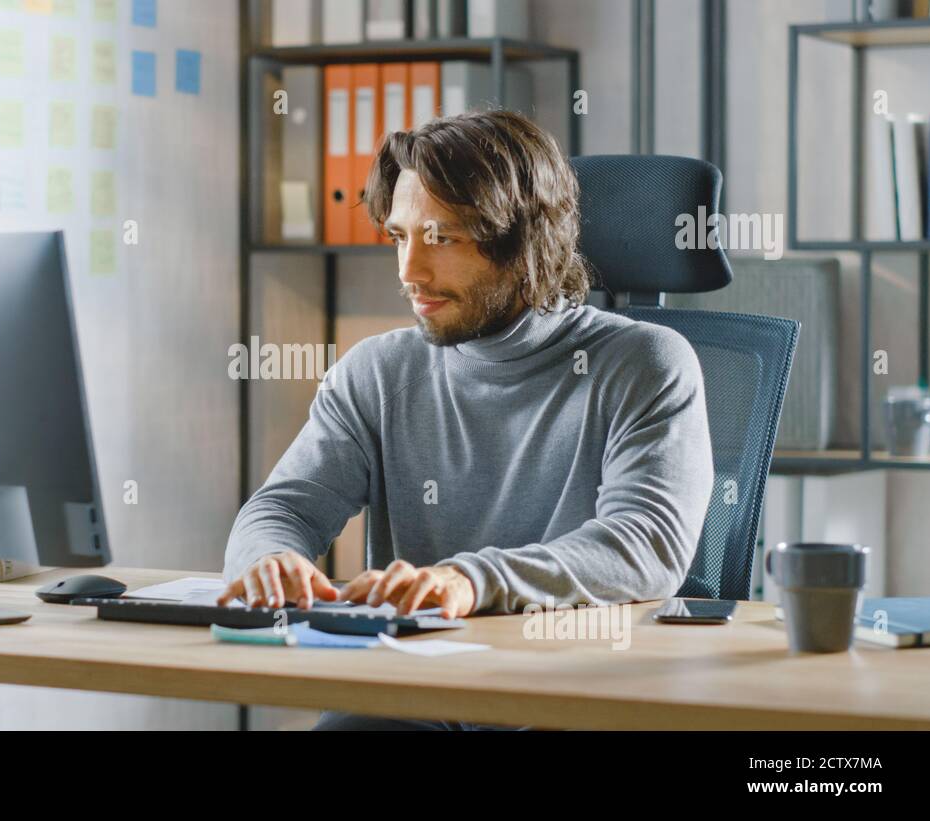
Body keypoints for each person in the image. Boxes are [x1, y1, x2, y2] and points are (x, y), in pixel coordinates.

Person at [219, 110, 715, 730]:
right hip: (424, 690)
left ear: (525, 240)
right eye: (400, 237)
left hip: (581, 693)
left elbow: (646, 544)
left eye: (442, 238)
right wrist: (268, 559)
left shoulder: (644, 363)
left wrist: (469, 580)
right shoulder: (376, 371)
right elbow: (281, 509)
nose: (409, 272)